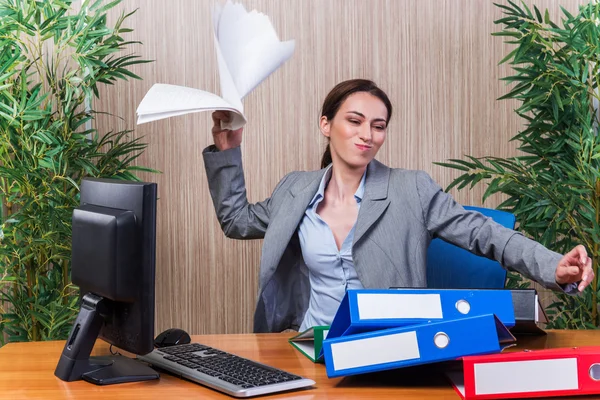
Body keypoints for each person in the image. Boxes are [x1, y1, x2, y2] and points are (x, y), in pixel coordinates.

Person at [203, 79, 594, 333]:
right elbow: (236, 220)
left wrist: (552, 266)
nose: (367, 135)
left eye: (378, 125)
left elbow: (482, 232)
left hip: (390, 349)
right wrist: (228, 151)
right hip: (311, 347)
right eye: (354, 121)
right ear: (326, 125)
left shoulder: (411, 188)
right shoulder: (294, 189)